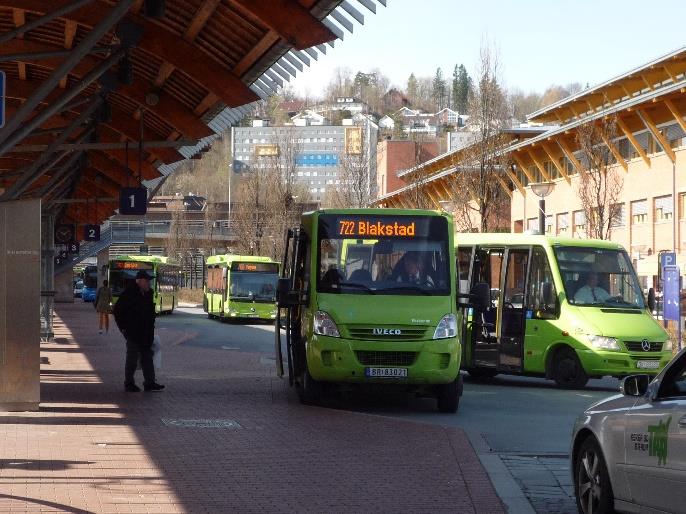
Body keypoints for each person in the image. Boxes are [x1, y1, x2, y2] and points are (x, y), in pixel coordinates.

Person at [113, 270, 165, 393]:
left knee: (147, 358)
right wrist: (124, 329)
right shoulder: (129, 294)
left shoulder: (148, 294)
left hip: (146, 334)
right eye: (147, 281)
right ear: (139, 281)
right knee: (132, 358)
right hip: (133, 333)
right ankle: (129, 383)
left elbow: (149, 314)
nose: (149, 284)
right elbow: (117, 312)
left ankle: (150, 383)